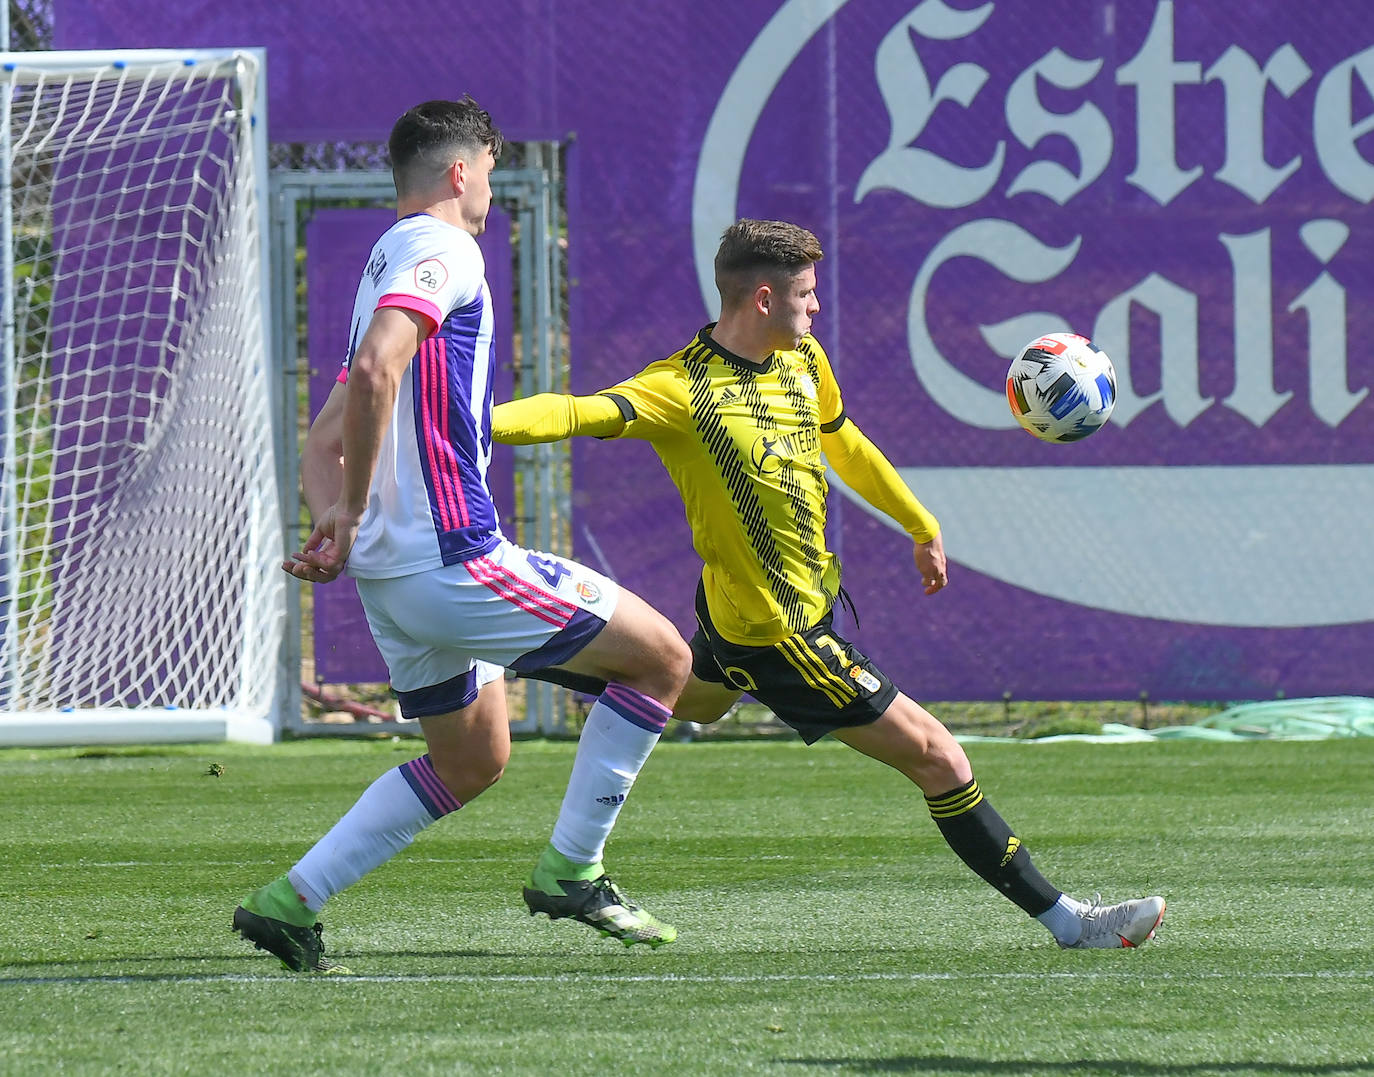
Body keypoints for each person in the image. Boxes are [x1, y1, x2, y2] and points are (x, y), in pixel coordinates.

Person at [492, 218, 1166, 950]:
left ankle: (493, 649)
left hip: (736, 612)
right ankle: (1071, 922)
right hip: (782, 636)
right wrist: (466, 424)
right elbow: (573, 411)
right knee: (940, 757)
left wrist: (918, 521)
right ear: (759, 299)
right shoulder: (682, 389)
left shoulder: (802, 359)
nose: (816, 309)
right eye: (805, 295)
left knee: (691, 698)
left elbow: (842, 439)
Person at [233, 97, 691, 973]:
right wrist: (356, 507)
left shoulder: (385, 260)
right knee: (663, 658)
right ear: (460, 169)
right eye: (486, 166)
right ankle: (574, 870)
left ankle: (289, 901)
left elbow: (322, 432)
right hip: (453, 559)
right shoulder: (444, 248)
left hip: (391, 580)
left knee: (472, 755)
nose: (489, 184)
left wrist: (336, 522)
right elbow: (374, 373)